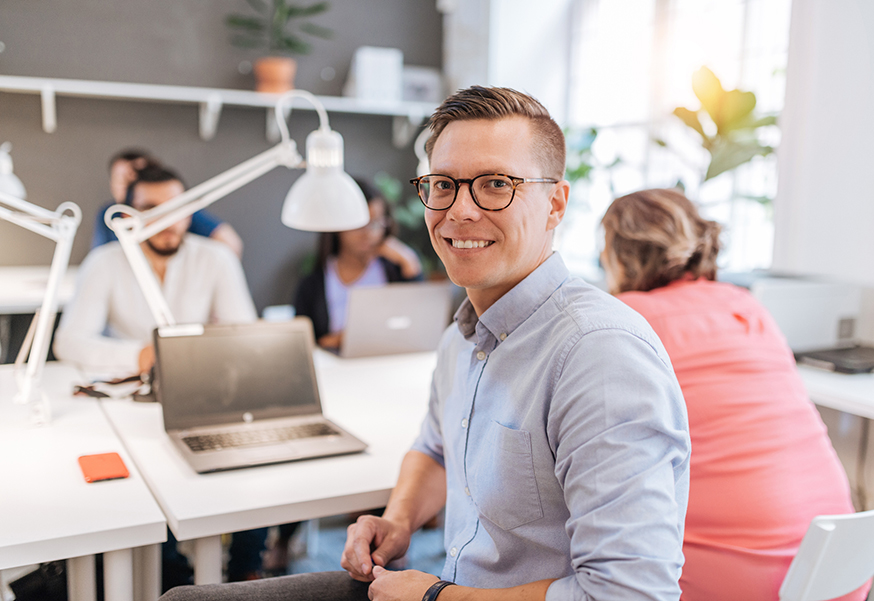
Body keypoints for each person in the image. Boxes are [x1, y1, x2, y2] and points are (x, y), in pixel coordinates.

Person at [160, 86, 690, 601]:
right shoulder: (462, 338)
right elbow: (435, 451)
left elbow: (632, 593)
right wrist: (399, 518)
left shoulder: (599, 354)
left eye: (495, 184)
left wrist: (437, 596)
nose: (459, 210)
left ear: (555, 204)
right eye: (443, 185)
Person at [599, 188, 865, 601]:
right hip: (840, 567)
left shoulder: (626, 318)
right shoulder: (747, 305)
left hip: (739, 580)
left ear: (619, 253)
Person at [54, 164, 268, 588]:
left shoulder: (216, 258)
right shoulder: (104, 262)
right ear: (127, 215)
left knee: (252, 463)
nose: (166, 219)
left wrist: (197, 353)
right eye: (151, 208)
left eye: (177, 207)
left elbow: (246, 334)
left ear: (191, 212)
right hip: (134, 408)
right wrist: (139, 354)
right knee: (146, 489)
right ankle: (173, 576)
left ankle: (247, 568)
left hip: (209, 395)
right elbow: (70, 342)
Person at [294, 176, 423, 350]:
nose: (368, 233)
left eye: (376, 224)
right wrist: (342, 339)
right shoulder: (312, 284)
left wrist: (410, 262)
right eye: (360, 224)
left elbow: (419, 325)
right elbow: (305, 343)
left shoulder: (394, 270)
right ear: (338, 225)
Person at [92, 148, 244, 257]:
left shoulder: (179, 213)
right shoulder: (109, 216)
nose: (133, 183)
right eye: (125, 179)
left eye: (141, 176)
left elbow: (230, 243)